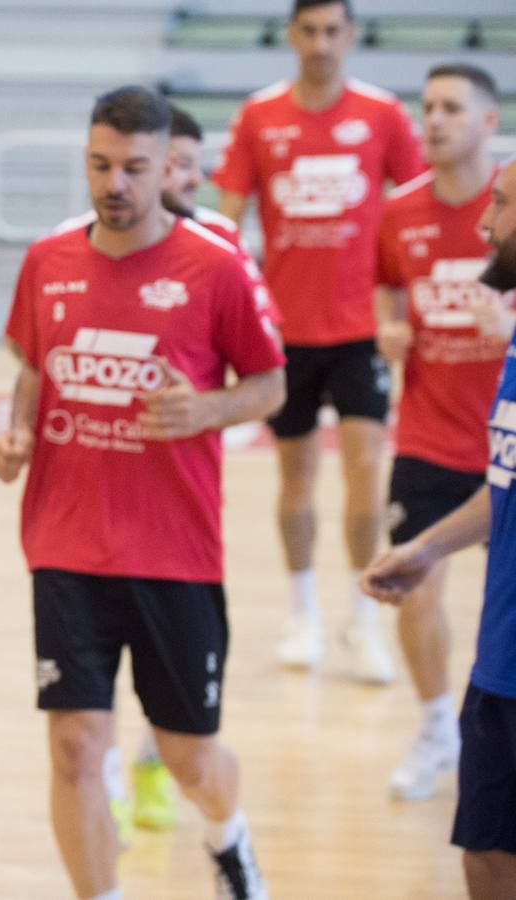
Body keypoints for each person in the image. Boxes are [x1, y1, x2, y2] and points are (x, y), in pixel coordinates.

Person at [0, 85, 285, 900]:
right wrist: (17, 434)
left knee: (188, 756)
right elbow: (34, 365)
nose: (114, 182)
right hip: (65, 542)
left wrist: (207, 409)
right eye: (100, 165)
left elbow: (270, 385)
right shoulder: (47, 260)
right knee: (76, 747)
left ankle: (228, 839)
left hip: (174, 552)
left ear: (168, 169)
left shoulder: (215, 265)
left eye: (133, 167)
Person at [213, 0, 426, 682]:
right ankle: (301, 613)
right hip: (286, 332)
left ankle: (362, 618)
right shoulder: (259, 115)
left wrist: (406, 307)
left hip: (362, 330)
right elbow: (226, 222)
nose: (321, 43)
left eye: (333, 30)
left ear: (351, 35)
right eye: (309, 30)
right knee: (295, 476)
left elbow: (418, 203)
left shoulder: (383, 114)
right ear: (291, 35)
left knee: (365, 471)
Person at [362, 152, 516, 900]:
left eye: (504, 205)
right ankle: (431, 730)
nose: (485, 222)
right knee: (484, 857)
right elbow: (508, 484)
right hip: (499, 657)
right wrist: (426, 548)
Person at [374, 64, 509, 802]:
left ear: (488, 121)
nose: (433, 120)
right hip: (427, 437)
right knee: (416, 585)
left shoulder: (510, 210)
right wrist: (387, 328)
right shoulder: (399, 211)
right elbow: (385, 283)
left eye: (452, 107)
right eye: (427, 106)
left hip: (505, 442)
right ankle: (435, 729)